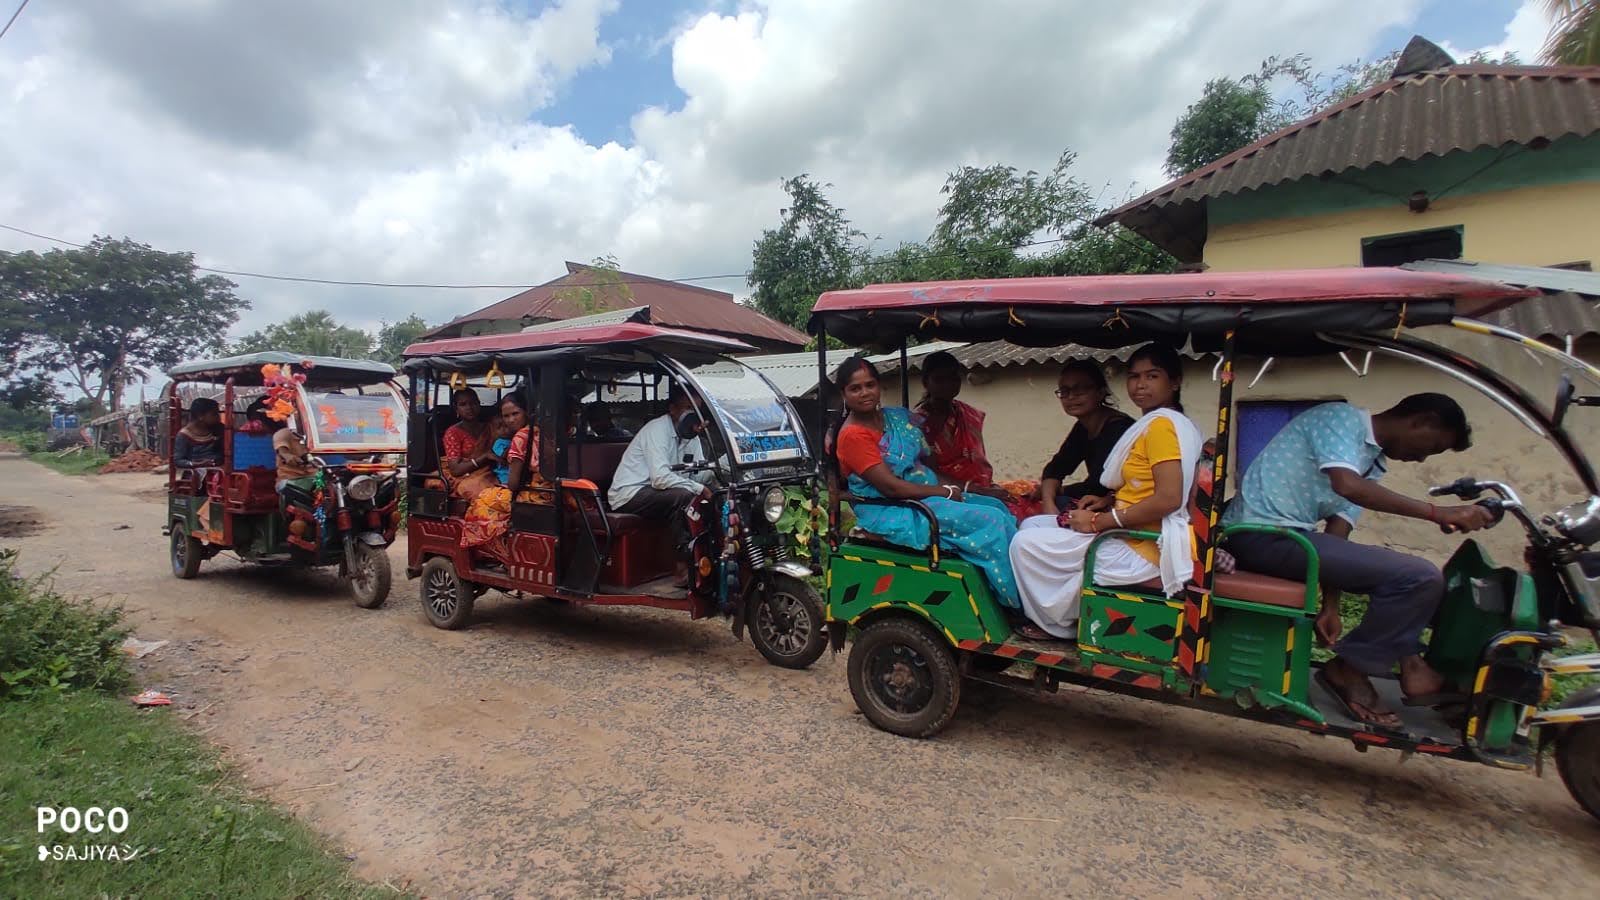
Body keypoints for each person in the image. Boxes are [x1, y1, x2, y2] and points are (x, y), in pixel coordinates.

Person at [1222, 393, 1496, 729]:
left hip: (1294, 540)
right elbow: (1348, 486)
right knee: (1420, 577)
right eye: (1432, 447)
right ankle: (1351, 670)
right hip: (1258, 534)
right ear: (1422, 421)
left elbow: (1338, 531)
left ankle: (1410, 663)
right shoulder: (1340, 419)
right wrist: (1438, 512)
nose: (1423, 459)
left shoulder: (1372, 460)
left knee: (1419, 581)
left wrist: (1331, 605)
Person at [1009, 344, 1202, 640]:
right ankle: (1066, 610)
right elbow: (1143, 485)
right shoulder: (1159, 424)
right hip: (1132, 531)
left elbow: (1168, 498)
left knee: (1024, 543)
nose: (1140, 385)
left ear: (1174, 382)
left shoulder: (1161, 427)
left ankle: (1057, 626)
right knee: (1033, 524)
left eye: (1152, 376)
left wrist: (1098, 522)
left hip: (1142, 546)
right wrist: (1107, 500)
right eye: (1134, 376)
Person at [833, 357, 1021, 608]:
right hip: (893, 507)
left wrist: (963, 489)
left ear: (879, 386)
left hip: (922, 494)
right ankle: (1012, 604)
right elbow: (891, 487)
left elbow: (925, 467)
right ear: (843, 393)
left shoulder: (897, 418)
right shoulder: (853, 436)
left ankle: (1012, 586)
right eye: (855, 388)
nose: (865, 393)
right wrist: (943, 492)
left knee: (998, 507)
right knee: (992, 520)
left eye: (870, 385)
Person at [608, 383, 716, 584]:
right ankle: (682, 565)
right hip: (630, 493)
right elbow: (660, 479)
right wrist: (700, 488)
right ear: (672, 409)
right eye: (687, 409)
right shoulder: (657, 430)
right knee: (684, 497)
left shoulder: (691, 434)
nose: (692, 415)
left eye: (696, 410)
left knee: (711, 494)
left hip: (658, 493)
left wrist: (716, 474)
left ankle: (708, 558)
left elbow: (697, 475)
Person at [913, 351, 1038, 520]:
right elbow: (930, 474)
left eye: (953, 378)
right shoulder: (916, 424)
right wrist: (978, 490)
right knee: (1009, 514)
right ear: (925, 382)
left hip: (980, 487)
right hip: (948, 493)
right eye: (939, 379)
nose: (948, 385)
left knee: (1034, 499)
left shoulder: (967, 414)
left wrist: (986, 489)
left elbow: (976, 462)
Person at [1037, 360, 1136, 516]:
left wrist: (1059, 490)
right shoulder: (1083, 428)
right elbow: (1056, 468)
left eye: (1080, 390)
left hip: (1125, 507)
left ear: (1101, 392)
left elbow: (1099, 485)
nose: (1071, 397)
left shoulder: (1119, 428)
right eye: (1064, 391)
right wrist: (1048, 501)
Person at [461, 394, 552, 560]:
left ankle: (500, 555)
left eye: (515, 414)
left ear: (526, 412)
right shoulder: (543, 430)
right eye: (506, 416)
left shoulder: (519, 438)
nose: (510, 420)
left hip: (532, 495)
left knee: (482, 500)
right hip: (550, 490)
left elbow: (513, 484)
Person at [440, 388, 496, 501]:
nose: (469, 408)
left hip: (490, 471)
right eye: (463, 404)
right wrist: (483, 458)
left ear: (479, 405)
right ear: (456, 408)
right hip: (465, 475)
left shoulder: (490, 427)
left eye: (473, 403)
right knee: (477, 490)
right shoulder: (453, 432)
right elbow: (455, 470)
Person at [270, 419, 317, 493]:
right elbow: (282, 451)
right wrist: (287, 456)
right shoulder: (283, 433)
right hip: (290, 479)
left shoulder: (315, 434)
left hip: (314, 477)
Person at [173, 397, 223, 467]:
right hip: (196, 474)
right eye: (214, 414)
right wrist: (198, 464)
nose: (218, 417)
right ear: (200, 416)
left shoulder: (219, 429)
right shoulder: (184, 435)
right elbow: (178, 461)